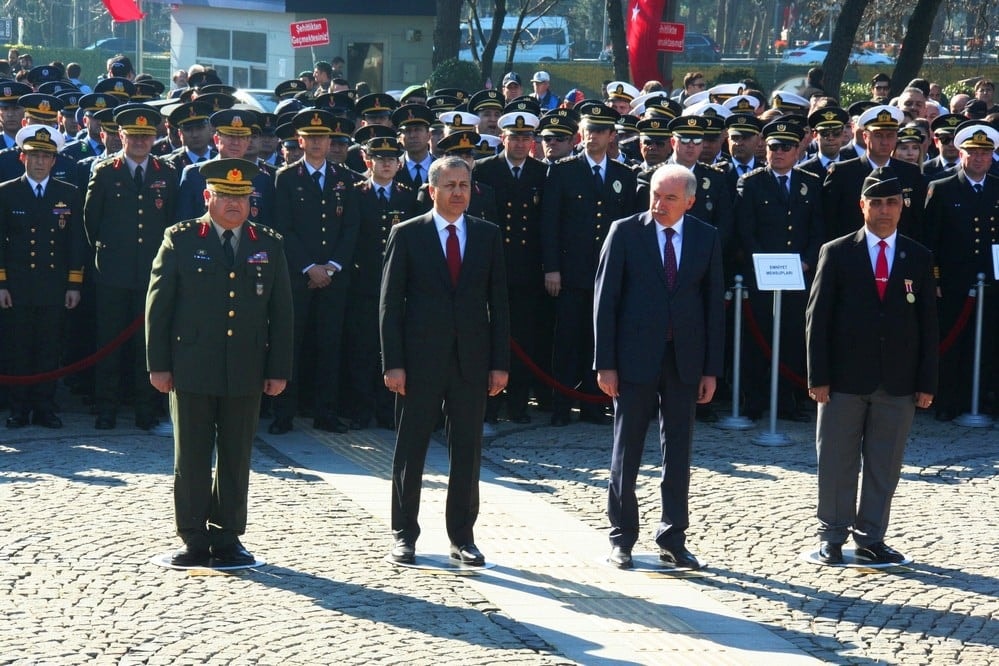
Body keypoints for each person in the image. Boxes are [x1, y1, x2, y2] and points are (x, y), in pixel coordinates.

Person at [146, 158, 293, 568]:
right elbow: (159, 308)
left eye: (242, 197)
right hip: (192, 365)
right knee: (191, 455)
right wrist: (159, 365)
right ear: (208, 196)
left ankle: (228, 537)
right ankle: (193, 537)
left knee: (236, 454)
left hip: (246, 366)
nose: (235, 204)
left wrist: (278, 369)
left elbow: (281, 312)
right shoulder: (181, 238)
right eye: (226, 196)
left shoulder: (268, 242)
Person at [380, 156, 510, 567]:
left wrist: (499, 363)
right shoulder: (407, 234)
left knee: (468, 451)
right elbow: (389, 305)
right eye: (451, 185)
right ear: (432, 189)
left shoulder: (487, 235)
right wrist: (393, 362)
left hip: (471, 360)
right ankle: (405, 534)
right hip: (419, 360)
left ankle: (463, 537)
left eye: (465, 185)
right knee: (411, 449)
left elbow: (499, 305)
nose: (458, 192)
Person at [594, 164, 724, 570]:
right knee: (627, 448)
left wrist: (710, 369)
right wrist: (606, 363)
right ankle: (622, 537)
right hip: (633, 358)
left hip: (684, 359)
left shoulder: (706, 236)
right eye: (655, 195)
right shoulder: (626, 231)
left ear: (689, 201)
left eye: (669, 198)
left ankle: (673, 536)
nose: (659, 204)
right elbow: (605, 300)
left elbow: (713, 306)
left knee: (679, 451)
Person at [806, 167, 938, 565]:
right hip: (844, 380)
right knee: (836, 461)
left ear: (902, 207)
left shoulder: (918, 256)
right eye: (876, 203)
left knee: (885, 464)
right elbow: (817, 319)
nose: (884, 211)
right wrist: (818, 377)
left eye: (892, 203)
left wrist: (926, 382)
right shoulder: (838, 251)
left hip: (897, 382)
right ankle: (831, 535)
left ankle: (871, 537)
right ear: (862, 205)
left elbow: (928, 325)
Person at [84, 104, 178, 431]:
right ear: (120, 135)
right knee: (108, 343)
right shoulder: (105, 171)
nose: (140, 141)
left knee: (148, 346)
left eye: (146, 136)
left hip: (151, 274)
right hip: (112, 272)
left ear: (155, 137)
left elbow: (171, 224)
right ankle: (106, 408)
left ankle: (145, 410)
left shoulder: (166, 173)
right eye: (133, 135)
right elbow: (90, 222)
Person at [0, 126, 84, 429]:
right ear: (23, 157)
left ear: (54, 161)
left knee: (49, 348)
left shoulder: (69, 193)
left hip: (54, 284)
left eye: (45, 156)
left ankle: (45, 407)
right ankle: (19, 408)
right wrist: (2, 283)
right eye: (34, 155)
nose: (39, 161)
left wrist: (74, 284)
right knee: (18, 348)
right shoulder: (7, 192)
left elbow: (76, 242)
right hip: (18, 285)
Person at [923, 122, 999, 421]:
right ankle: (950, 400)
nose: (979, 158)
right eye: (973, 152)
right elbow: (930, 241)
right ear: (960, 152)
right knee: (955, 342)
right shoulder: (941, 187)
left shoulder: (997, 186)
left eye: (985, 153)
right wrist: (935, 277)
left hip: (993, 280)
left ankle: (986, 399)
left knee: (990, 341)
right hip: (954, 280)